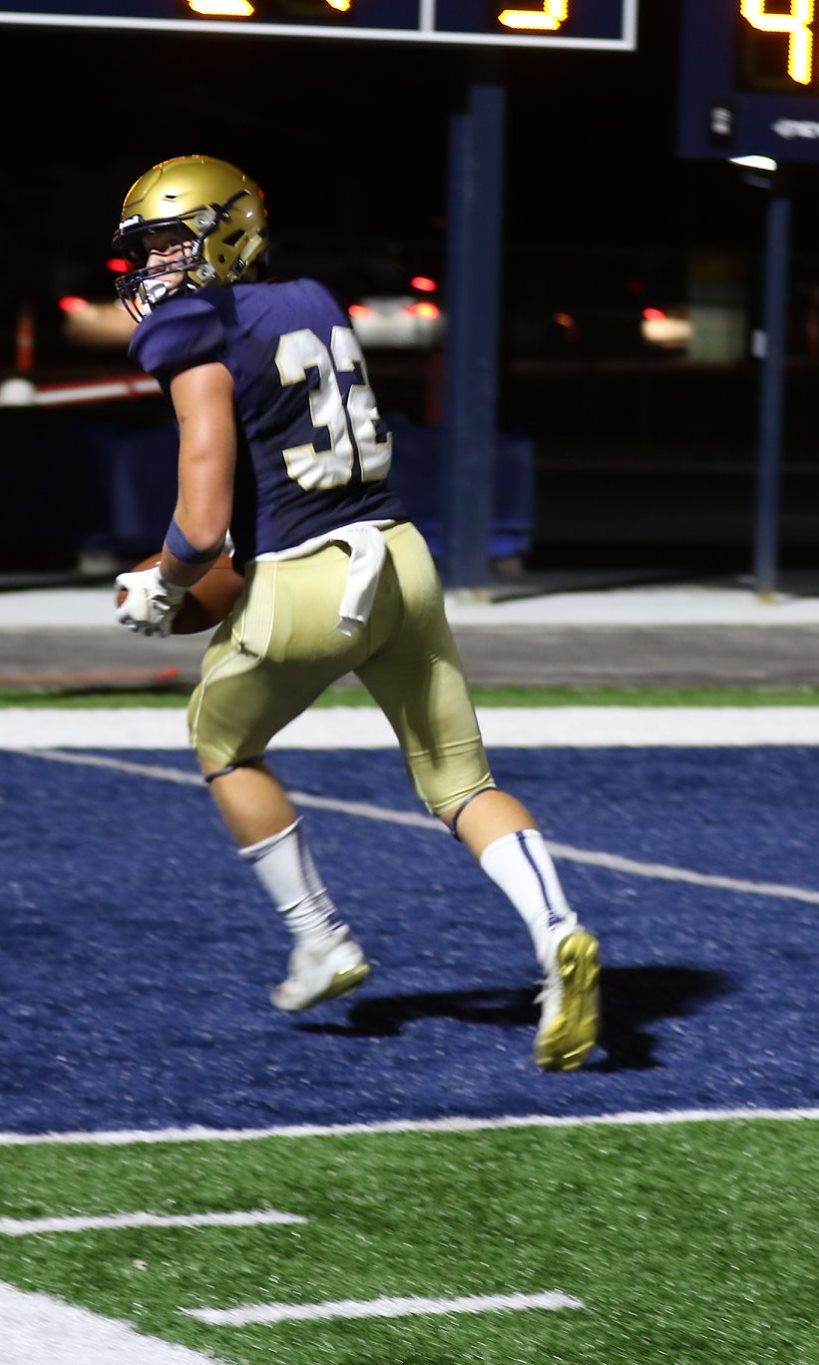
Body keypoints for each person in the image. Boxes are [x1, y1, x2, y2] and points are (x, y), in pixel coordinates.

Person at [109, 155, 601, 1070]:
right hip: (401, 560)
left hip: (300, 579)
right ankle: (557, 931)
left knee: (224, 747)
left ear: (228, 231)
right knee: (462, 783)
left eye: (173, 244)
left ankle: (320, 936)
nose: (157, 269)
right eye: (151, 250)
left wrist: (167, 579)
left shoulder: (190, 331)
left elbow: (206, 511)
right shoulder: (311, 298)